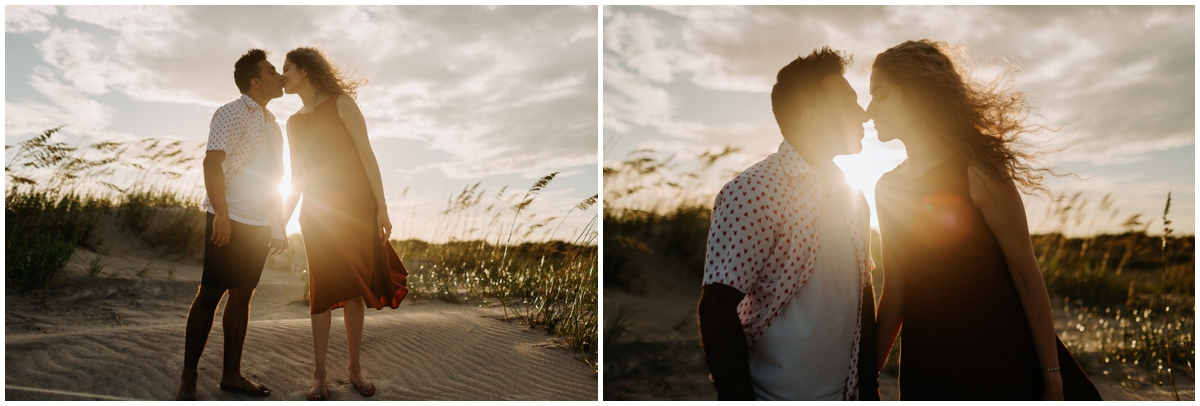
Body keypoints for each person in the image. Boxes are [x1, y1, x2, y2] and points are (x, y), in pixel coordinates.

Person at [869, 39, 1101, 400]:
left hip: (999, 360)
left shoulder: (977, 170)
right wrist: (866, 373)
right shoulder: (887, 188)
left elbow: (1026, 275)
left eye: (880, 94)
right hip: (928, 367)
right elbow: (896, 290)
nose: (870, 109)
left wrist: (1052, 375)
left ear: (915, 96)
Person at [697, 47, 879, 401]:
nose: (863, 114)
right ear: (811, 117)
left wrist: (869, 387)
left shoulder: (853, 195)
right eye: (847, 102)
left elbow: (863, 293)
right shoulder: (752, 190)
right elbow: (716, 306)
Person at [279, 46, 409, 401]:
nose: (282, 75)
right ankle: (319, 375)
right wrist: (282, 220)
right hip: (317, 214)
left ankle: (354, 368)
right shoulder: (293, 122)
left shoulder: (342, 105)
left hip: (355, 208)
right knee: (321, 291)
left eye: (287, 68)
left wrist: (382, 208)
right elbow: (298, 176)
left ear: (305, 71)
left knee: (353, 288)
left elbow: (367, 155)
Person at [176, 48, 290, 401]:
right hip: (229, 218)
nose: (279, 75)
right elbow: (212, 163)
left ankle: (232, 375)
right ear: (255, 81)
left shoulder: (274, 124)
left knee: (242, 295)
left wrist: (278, 223)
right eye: (272, 71)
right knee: (210, 293)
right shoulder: (230, 112)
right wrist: (221, 213)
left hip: (259, 224)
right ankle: (188, 377)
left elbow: (274, 177)